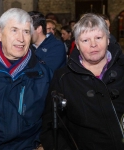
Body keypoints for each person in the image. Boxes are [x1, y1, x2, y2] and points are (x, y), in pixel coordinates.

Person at [40, 13, 124, 150]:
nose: (93, 45)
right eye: (85, 40)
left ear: (108, 39)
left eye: (98, 37)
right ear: (77, 45)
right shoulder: (63, 78)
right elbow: (50, 127)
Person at [0, 8, 52, 150]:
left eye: (26, 32)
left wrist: (43, 143)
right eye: (14, 30)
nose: (21, 39)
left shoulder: (43, 73)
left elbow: (52, 118)